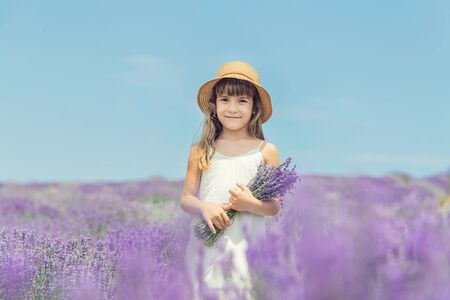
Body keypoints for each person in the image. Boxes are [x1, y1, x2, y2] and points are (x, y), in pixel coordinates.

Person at [179, 61, 281, 300]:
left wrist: (250, 205)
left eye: (242, 101)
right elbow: (186, 198)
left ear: (254, 107)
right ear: (214, 106)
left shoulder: (266, 151)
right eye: (225, 100)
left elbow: (274, 206)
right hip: (207, 246)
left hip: (247, 247)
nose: (232, 108)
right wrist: (205, 207)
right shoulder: (201, 149)